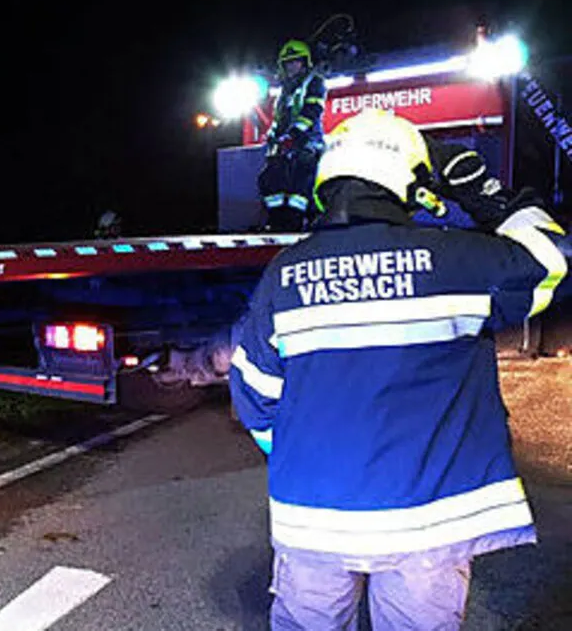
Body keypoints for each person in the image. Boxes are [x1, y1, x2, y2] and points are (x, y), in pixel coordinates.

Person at [229, 108, 571, 629]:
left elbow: (254, 395)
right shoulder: (459, 260)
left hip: (313, 520)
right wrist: (485, 193)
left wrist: (306, 459)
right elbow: (554, 256)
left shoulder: (284, 275)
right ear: (406, 182)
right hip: (428, 524)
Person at [258, 39, 328, 231]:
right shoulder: (284, 91)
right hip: (285, 146)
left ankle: (297, 221)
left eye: (296, 61)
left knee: (301, 183)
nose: (292, 66)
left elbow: (311, 111)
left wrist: (293, 135)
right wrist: (272, 135)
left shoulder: (315, 82)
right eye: (288, 63)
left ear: (305, 63)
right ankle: (277, 220)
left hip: (307, 144)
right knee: (268, 179)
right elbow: (279, 120)